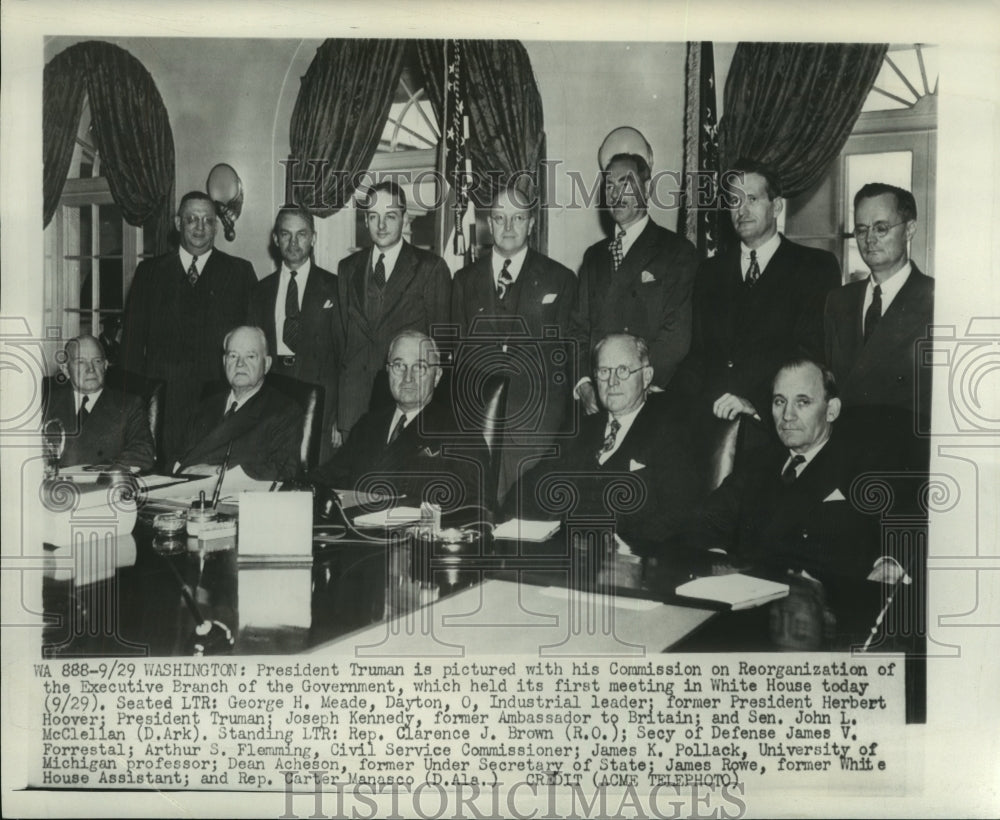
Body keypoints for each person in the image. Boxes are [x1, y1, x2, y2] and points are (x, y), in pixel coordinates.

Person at [690, 358, 912, 645]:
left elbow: (904, 524)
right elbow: (706, 520)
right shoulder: (761, 462)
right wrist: (717, 561)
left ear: (831, 410)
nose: (787, 416)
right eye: (779, 402)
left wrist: (890, 562)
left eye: (802, 402)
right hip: (754, 614)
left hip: (828, 622)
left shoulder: (863, 466)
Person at [506, 333, 701, 551]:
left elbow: (680, 511)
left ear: (646, 376)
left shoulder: (669, 430)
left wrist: (626, 546)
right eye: (604, 371)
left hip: (630, 563)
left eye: (623, 370)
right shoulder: (581, 429)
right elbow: (530, 487)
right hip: (567, 559)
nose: (612, 381)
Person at [685, 159, 841, 426]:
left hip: (777, 425)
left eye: (752, 199)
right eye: (734, 201)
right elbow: (699, 356)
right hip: (711, 422)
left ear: (777, 206)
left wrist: (755, 404)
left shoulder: (815, 267)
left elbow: (812, 360)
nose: (741, 210)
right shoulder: (709, 272)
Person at [451, 182, 577, 502]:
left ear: (531, 224)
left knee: (524, 519)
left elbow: (565, 358)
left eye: (517, 218)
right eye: (500, 218)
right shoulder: (464, 282)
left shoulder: (560, 279)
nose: (508, 226)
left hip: (535, 426)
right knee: (474, 512)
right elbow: (458, 355)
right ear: (489, 223)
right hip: (476, 422)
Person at [121, 191, 257, 459]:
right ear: (177, 222)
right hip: (163, 407)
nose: (200, 227)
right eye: (192, 219)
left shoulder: (240, 272)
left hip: (219, 403)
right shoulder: (149, 274)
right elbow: (132, 348)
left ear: (216, 226)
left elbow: (254, 347)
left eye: (207, 220)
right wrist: (131, 407)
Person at [571, 153, 699, 413]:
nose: (616, 194)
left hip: (649, 400)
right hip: (598, 399)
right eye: (609, 186)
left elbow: (676, 335)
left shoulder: (676, 252)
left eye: (626, 184)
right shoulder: (593, 256)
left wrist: (636, 388)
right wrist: (585, 384)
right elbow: (577, 330)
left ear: (647, 188)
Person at [309, 330, 485, 511]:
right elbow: (326, 476)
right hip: (354, 533)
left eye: (420, 367)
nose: (408, 377)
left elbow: (473, 505)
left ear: (437, 376)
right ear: (388, 371)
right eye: (399, 366)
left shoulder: (460, 432)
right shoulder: (367, 425)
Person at [335, 181, 451, 437]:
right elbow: (344, 341)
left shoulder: (430, 268)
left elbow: (441, 346)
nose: (381, 225)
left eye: (390, 216)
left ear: (405, 218)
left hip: (405, 403)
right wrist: (338, 412)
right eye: (373, 217)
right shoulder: (347, 268)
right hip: (353, 406)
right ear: (365, 221)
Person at [824, 183, 934, 428]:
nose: (869, 239)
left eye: (881, 228)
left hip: (903, 455)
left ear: (909, 229)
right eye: (861, 229)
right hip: (844, 449)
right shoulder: (838, 301)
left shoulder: (935, 299)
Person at [251, 205, 340, 461]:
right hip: (274, 397)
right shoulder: (259, 292)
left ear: (313, 238)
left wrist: (341, 417)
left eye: (301, 234)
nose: (293, 242)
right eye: (286, 234)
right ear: (276, 239)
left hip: (321, 399)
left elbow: (345, 354)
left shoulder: (334, 287)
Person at [174, 326, 302, 482]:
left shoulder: (284, 411)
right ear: (224, 362)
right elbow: (178, 461)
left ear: (267, 364)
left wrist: (218, 473)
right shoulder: (205, 407)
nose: (240, 364)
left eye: (250, 356)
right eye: (233, 356)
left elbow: (284, 471)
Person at [43, 335, 155, 472]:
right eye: (80, 362)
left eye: (97, 361)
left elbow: (143, 452)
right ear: (66, 370)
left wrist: (102, 473)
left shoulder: (129, 405)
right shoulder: (47, 403)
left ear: (106, 365)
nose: (90, 369)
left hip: (102, 486)